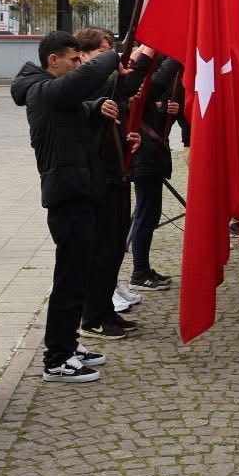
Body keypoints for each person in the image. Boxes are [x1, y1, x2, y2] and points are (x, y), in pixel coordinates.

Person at [10, 31, 121, 381]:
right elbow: (83, 82)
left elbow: (74, 110)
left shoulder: (54, 93)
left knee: (78, 275)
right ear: (53, 60)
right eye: (74, 59)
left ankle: (68, 343)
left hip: (80, 192)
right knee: (69, 281)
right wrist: (114, 56)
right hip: (67, 197)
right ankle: (57, 359)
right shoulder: (42, 90)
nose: (79, 65)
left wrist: (94, 108)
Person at [75, 26, 149, 339]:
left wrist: (127, 140)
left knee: (115, 248)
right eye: (102, 52)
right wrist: (150, 49)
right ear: (82, 56)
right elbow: (124, 83)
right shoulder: (85, 85)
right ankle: (92, 317)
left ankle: (105, 310)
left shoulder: (101, 85)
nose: (109, 58)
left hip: (117, 175)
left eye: (110, 51)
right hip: (98, 180)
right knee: (102, 251)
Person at [125, 57, 180, 293]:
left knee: (150, 214)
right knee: (145, 216)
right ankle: (139, 272)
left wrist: (169, 112)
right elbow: (156, 84)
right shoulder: (133, 85)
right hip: (144, 160)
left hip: (152, 158)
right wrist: (177, 53)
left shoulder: (141, 89)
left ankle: (143, 269)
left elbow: (153, 124)